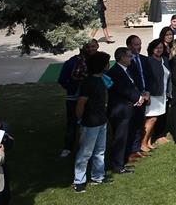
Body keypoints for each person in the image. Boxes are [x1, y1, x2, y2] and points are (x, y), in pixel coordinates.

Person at [72, 51, 111, 190]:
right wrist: (80, 118)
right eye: (106, 63)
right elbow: (81, 103)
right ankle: (79, 180)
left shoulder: (101, 79)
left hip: (101, 120)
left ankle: (98, 176)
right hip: (90, 122)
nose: (108, 65)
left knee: (100, 151)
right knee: (85, 153)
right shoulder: (88, 82)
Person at [105, 48, 143, 175]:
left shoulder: (128, 70)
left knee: (127, 135)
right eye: (129, 56)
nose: (131, 58)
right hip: (120, 111)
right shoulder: (114, 72)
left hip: (130, 108)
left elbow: (134, 85)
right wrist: (138, 98)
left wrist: (140, 97)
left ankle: (124, 159)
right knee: (120, 138)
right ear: (122, 58)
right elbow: (123, 89)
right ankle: (118, 165)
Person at [58, 40, 98, 157]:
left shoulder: (98, 61)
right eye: (88, 47)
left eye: (93, 46)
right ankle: (68, 147)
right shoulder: (72, 62)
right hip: (74, 98)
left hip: (92, 98)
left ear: (97, 46)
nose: (91, 49)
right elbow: (62, 80)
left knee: (91, 122)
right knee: (72, 123)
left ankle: (89, 146)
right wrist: (73, 86)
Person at [140, 38, 169, 153]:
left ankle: (148, 141)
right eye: (156, 47)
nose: (159, 50)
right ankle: (143, 142)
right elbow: (146, 78)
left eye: (161, 47)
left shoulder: (165, 60)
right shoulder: (149, 61)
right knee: (151, 118)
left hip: (162, 94)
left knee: (155, 119)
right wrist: (147, 92)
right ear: (152, 49)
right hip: (153, 94)